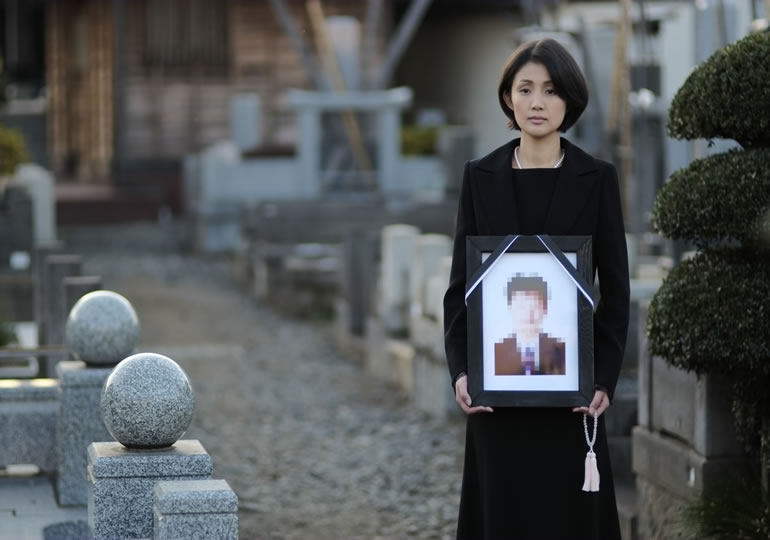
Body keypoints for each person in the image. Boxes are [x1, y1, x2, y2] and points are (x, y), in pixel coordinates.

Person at [443, 38, 630, 539]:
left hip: (572, 394)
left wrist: (603, 380)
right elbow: (460, 289)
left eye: (550, 90)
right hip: (496, 395)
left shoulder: (597, 179)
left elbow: (615, 289)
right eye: (525, 89)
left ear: (569, 101)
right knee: (501, 516)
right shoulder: (479, 178)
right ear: (508, 98)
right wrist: (462, 371)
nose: (537, 102)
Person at [494, 274, 566, 376]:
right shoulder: (498, 351)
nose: (528, 314)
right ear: (511, 309)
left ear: (544, 309)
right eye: (522, 307)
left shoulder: (560, 350)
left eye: (534, 306)